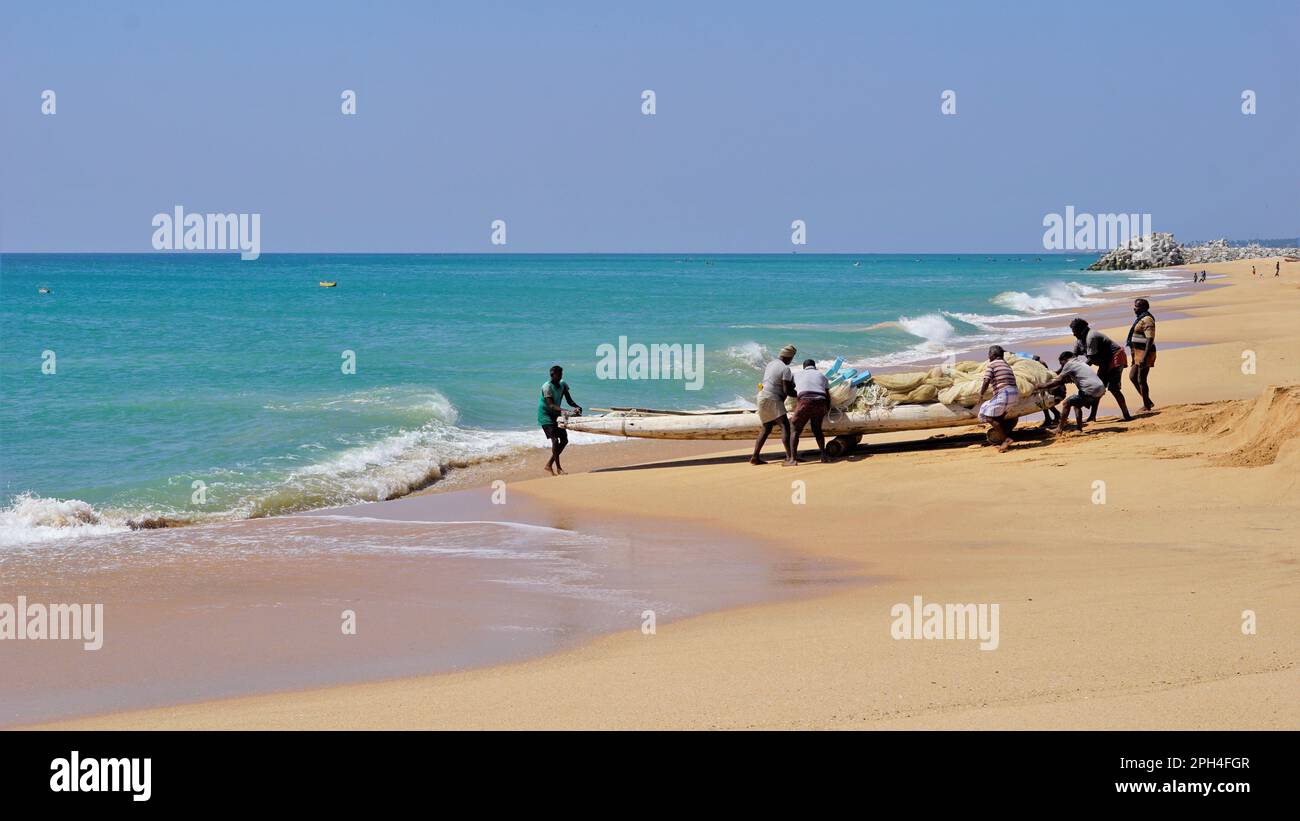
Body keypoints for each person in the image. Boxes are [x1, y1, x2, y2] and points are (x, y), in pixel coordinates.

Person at [1069, 318, 1132, 422]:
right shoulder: (1079, 340)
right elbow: (1072, 358)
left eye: (1074, 331)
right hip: (1104, 363)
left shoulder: (1091, 337)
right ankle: (1092, 416)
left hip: (1115, 358)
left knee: (1114, 389)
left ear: (1081, 329)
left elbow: (1091, 359)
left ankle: (1127, 415)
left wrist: (1078, 372)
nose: (1073, 334)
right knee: (1097, 388)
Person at [751, 344, 797, 465]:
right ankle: (789, 457)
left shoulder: (771, 364)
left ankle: (755, 457)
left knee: (766, 428)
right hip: (772, 398)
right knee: (785, 426)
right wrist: (799, 395)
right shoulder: (785, 369)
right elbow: (787, 390)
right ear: (789, 358)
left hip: (761, 396)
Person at [1042, 351, 1107, 434]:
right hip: (1101, 388)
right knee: (1076, 404)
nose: (1061, 366)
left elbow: (1058, 381)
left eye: (1061, 363)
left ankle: (1059, 429)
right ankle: (1079, 429)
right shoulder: (1080, 363)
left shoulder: (1069, 364)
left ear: (1064, 359)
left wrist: (1041, 386)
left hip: (1091, 390)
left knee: (1066, 403)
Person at [537, 365, 580, 475]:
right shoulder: (546, 387)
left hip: (556, 415)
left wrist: (576, 407)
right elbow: (551, 405)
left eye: (562, 374)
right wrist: (564, 410)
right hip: (545, 415)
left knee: (564, 440)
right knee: (555, 441)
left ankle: (549, 464)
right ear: (552, 375)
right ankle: (559, 468)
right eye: (559, 374)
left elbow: (569, 400)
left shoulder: (563, 384)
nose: (561, 376)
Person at [787, 359, 831, 464]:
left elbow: (789, 389)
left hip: (804, 402)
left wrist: (798, 396)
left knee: (795, 429)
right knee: (817, 429)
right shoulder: (822, 375)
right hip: (820, 403)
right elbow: (827, 395)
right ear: (814, 367)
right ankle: (823, 455)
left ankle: (793, 459)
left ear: (804, 367)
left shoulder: (796, 375)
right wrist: (827, 408)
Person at [977, 345, 1019, 453]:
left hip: (1004, 393)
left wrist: (981, 395)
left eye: (989, 354)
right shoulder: (1006, 364)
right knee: (999, 417)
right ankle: (1002, 437)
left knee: (990, 417)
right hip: (1014, 393)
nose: (988, 356)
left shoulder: (992, 364)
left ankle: (1006, 439)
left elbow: (986, 381)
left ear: (994, 355)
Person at [1125, 298, 1157, 411]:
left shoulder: (1148, 319)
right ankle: (1147, 401)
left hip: (1145, 353)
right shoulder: (1141, 318)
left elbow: (1150, 339)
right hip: (1138, 353)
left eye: (1136, 306)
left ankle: (1146, 405)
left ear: (1143, 308)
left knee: (1141, 379)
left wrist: (1144, 357)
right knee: (1133, 376)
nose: (1134, 308)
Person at [1032, 354, 1065, 428]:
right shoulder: (1049, 373)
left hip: (1058, 395)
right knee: (1043, 397)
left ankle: (1050, 417)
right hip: (1057, 393)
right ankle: (1054, 416)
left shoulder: (1045, 377)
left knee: (1041, 398)